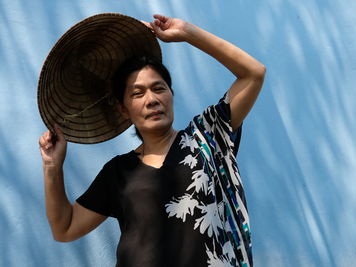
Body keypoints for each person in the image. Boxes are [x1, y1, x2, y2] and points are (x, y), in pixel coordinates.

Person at [39, 14, 265, 267]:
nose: (152, 99)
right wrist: (52, 167)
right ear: (123, 109)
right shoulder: (118, 171)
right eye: (137, 93)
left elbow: (253, 74)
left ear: (170, 94)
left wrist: (187, 33)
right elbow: (65, 228)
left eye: (159, 88)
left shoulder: (207, 135)